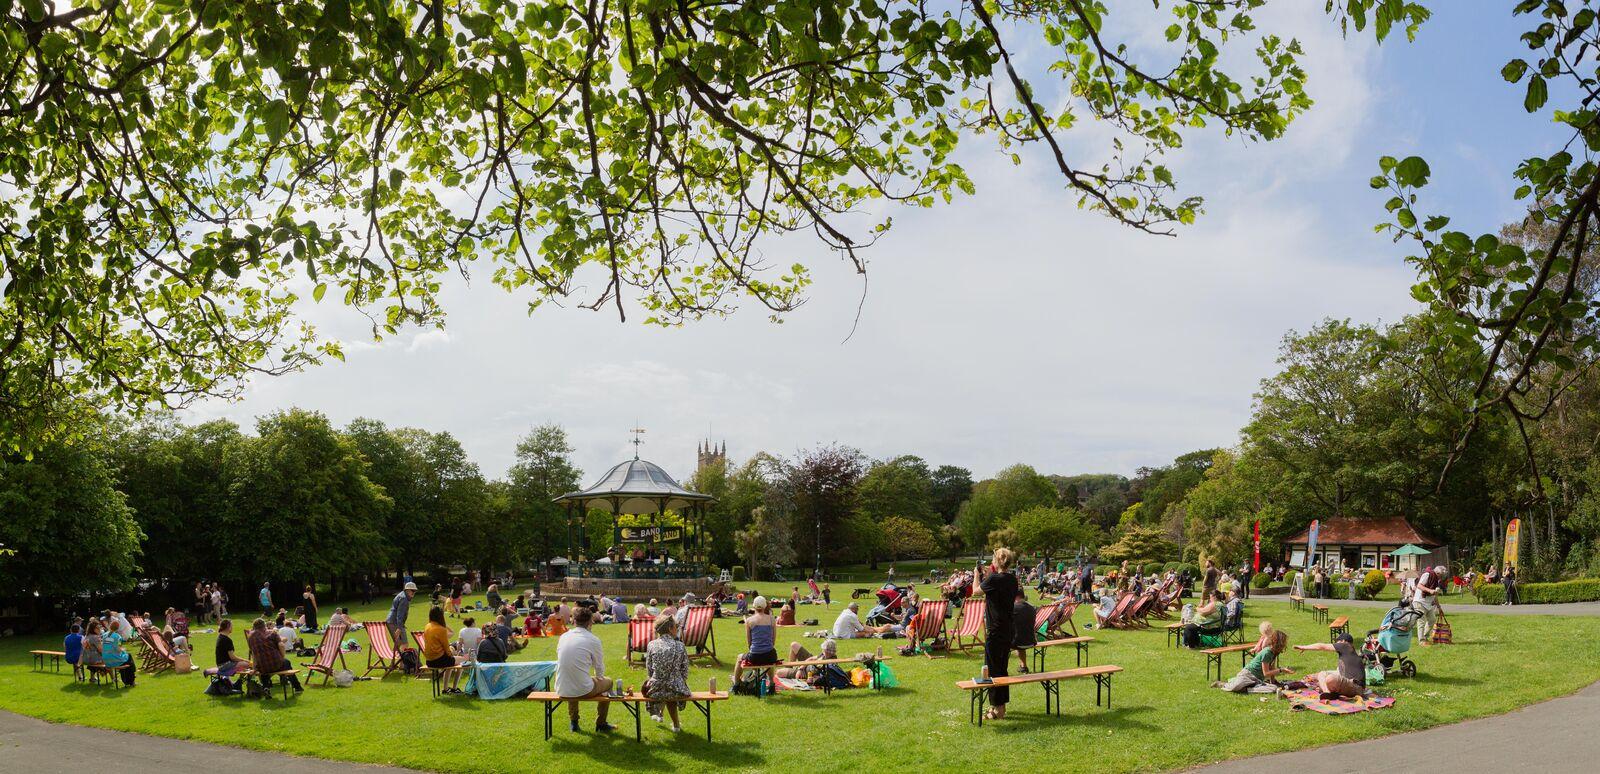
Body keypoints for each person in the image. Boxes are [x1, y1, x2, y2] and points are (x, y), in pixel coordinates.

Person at [973, 547, 1020, 721]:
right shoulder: (1012, 579)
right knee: (1002, 668)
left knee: (992, 669)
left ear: (997, 561)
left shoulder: (993, 579)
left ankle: (997, 710)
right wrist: (988, 576)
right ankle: (1001, 707)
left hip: (996, 629)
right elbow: (997, 586)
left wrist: (977, 576)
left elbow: (975, 591)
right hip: (1008, 628)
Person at [554, 607, 615, 733]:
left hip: (561, 687)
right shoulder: (593, 640)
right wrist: (599, 678)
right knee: (608, 682)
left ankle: (574, 722)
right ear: (590, 622)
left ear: (573, 621)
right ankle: (601, 723)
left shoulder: (563, 637)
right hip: (581, 688)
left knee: (574, 678)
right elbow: (599, 667)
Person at [644, 614, 692, 730]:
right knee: (670, 690)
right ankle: (676, 725)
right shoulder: (680, 645)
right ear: (670, 629)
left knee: (664, 688)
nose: (677, 628)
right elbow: (685, 670)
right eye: (676, 626)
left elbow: (649, 670)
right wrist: (679, 681)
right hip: (677, 689)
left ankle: (660, 714)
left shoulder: (651, 645)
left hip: (655, 689)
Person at [1294, 632, 1365, 699]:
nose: (1336, 643)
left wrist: (1303, 647)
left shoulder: (1346, 646)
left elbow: (1321, 646)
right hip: (1349, 685)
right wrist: (1317, 678)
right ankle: (1327, 693)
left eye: (1337, 641)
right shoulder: (1349, 654)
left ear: (1343, 641)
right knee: (1322, 674)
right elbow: (1339, 672)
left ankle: (1330, 692)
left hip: (1356, 687)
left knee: (1330, 679)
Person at [1218, 630, 1290, 693]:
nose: (1284, 645)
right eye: (1283, 642)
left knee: (1273, 688)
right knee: (1235, 687)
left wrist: (1273, 682)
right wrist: (1281, 670)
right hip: (1248, 675)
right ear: (1276, 642)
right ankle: (1224, 684)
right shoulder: (1267, 652)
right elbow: (1266, 673)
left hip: (1257, 680)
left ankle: (1245, 689)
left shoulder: (1274, 652)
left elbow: (1272, 668)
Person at [247, 618, 303, 694]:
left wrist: (254, 668)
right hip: (277, 663)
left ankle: (266, 686)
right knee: (287, 663)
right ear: (264, 626)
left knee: (264, 669)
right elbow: (281, 645)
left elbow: (254, 654)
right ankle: (297, 687)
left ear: (254, 627)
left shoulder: (250, 638)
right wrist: (282, 657)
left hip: (262, 667)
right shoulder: (272, 633)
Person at [733, 596, 779, 688]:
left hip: (755, 656)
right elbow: (773, 640)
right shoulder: (771, 619)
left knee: (739, 658)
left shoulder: (749, 621)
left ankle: (736, 685)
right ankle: (772, 684)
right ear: (765, 606)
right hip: (770, 655)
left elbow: (749, 643)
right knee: (768, 661)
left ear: (754, 606)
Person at [422, 606, 462, 693]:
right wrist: (452, 656)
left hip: (429, 661)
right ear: (441, 616)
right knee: (461, 663)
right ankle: (454, 689)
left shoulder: (427, 626)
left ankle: (446, 689)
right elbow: (446, 648)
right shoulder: (441, 629)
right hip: (439, 660)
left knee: (451, 664)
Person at [213, 619, 250, 693]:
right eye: (231, 626)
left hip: (220, 664)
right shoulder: (227, 640)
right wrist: (245, 660)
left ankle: (232, 682)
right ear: (228, 627)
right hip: (224, 665)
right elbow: (232, 657)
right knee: (248, 664)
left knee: (244, 664)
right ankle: (238, 683)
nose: (232, 628)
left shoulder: (220, 637)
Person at [102, 618, 136, 686]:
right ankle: (131, 680)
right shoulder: (117, 636)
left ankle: (129, 679)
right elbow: (117, 649)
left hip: (106, 659)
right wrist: (123, 650)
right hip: (113, 659)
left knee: (127, 660)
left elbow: (109, 646)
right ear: (117, 628)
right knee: (129, 659)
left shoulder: (104, 635)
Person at [1414, 564, 1442, 641]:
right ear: (1438, 573)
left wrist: (1439, 606)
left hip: (1428, 603)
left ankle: (1425, 637)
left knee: (1432, 619)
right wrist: (1430, 590)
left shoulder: (1436, 580)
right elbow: (1419, 585)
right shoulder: (1427, 574)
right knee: (1421, 621)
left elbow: (1434, 595)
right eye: (1441, 575)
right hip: (1420, 601)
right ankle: (1421, 641)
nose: (1441, 577)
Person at [1012, 588, 1037, 673]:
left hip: (1017, 641)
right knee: (1020, 634)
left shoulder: (1013, 608)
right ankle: (1023, 666)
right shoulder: (1032, 608)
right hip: (1031, 640)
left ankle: (1000, 668)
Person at [387, 581, 417, 651]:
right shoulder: (404, 599)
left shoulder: (402, 595)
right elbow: (400, 614)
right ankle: (402, 662)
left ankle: (394, 662)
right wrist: (400, 627)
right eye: (412, 590)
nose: (414, 592)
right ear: (407, 590)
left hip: (391, 621)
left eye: (415, 591)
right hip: (395, 622)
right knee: (405, 644)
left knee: (398, 644)